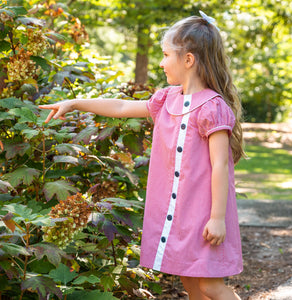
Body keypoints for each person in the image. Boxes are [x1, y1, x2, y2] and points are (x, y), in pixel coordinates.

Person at [40, 11, 245, 300]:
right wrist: (75, 103)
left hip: (204, 215)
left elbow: (220, 165)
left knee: (210, 286)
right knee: (189, 283)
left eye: (165, 55)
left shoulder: (212, 107)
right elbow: (123, 108)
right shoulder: (167, 99)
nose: (161, 63)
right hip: (181, 216)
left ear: (188, 60)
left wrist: (218, 218)